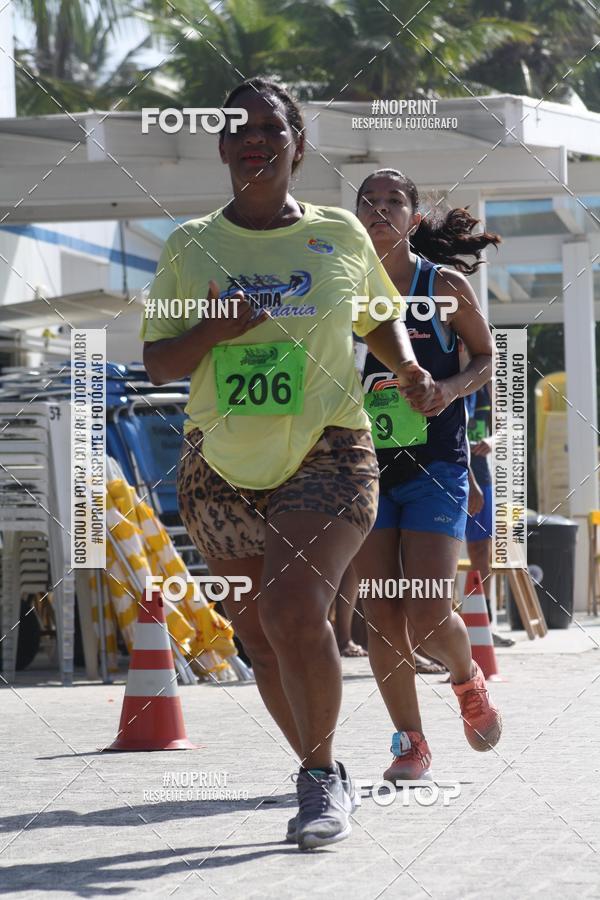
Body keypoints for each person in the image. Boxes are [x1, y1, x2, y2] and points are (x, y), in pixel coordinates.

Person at [141, 81, 435, 850]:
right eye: (239, 127)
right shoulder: (190, 244)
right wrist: (214, 328)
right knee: (261, 636)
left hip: (328, 448)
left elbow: (378, 319)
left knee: (294, 609)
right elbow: (160, 362)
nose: (255, 137)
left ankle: (319, 777)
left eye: (272, 127)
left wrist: (405, 368)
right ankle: (320, 771)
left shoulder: (339, 233)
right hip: (220, 464)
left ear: (298, 146)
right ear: (221, 148)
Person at [352, 168, 502, 783]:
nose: (381, 209)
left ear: (413, 217)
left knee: (425, 608)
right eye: (370, 200)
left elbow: (488, 358)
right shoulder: (339, 287)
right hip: (361, 469)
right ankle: (410, 745)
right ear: (355, 215)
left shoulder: (442, 284)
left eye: (395, 201)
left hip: (435, 463)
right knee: (381, 615)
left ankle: (468, 681)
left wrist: (448, 388)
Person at [465, 385, 515, 647]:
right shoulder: (448, 375)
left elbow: (507, 428)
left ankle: (484, 627)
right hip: (448, 472)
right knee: (439, 550)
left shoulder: (487, 389)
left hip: (481, 476)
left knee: (481, 551)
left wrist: (491, 441)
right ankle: (437, 629)